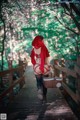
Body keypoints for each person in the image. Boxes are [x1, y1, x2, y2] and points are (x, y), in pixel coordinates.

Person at [30, 35, 50, 102]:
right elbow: (46, 59)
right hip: (44, 67)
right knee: (45, 83)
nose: (43, 41)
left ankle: (39, 90)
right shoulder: (44, 48)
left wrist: (34, 65)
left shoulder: (34, 49)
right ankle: (44, 97)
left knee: (39, 82)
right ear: (41, 40)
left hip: (37, 67)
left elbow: (32, 58)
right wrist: (49, 66)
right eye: (43, 40)